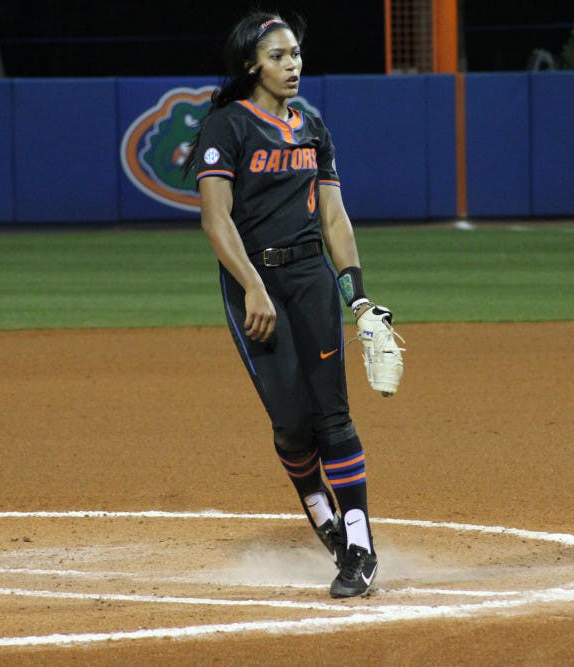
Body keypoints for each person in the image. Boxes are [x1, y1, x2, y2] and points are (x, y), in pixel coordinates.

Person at [184, 11, 395, 598]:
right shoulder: (227, 127)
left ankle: (358, 547)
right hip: (252, 283)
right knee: (292, 423)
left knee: (334, 416)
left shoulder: (312, 124)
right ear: (252, 64)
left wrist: (356, 295)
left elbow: (333, 215)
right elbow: (214, 217)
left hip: (309, 278)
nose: (293, 64)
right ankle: (317, 506)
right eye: (278, 56)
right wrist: (252, 284)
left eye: (296, 54)